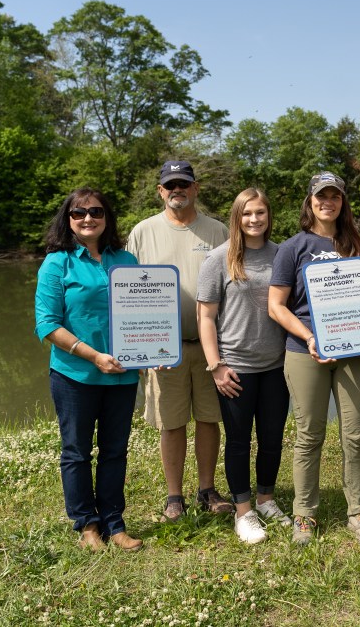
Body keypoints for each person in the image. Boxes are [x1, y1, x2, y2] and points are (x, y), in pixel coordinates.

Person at [268, 172, 360, 545]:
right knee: (308, 435)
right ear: (310, 201)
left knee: (356, 436)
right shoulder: (293, 247)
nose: (327, 202)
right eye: (321, 195)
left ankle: (358, 512)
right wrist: (309, 336)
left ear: (342, 202)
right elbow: (276, 307)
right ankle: (305, 514)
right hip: (306, 352)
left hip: (355, 355)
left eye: (334, 195)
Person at [34, 188, 143, 552]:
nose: (87, 218)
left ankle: (115, 523)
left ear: (107, 217)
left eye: (96, 211)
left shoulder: (126, 260)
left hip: (123, 374)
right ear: (68, 220)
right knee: (77, 452)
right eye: (78, 213)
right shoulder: (57, 263)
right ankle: (87, 525)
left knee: (115, 451)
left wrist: (151, 350)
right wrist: (94, 355)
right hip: (74, 375)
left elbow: (146, 314)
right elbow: (47, 324)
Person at [126, 160, 230, 521]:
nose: (177, 191)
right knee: (171, 423)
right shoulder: (143, 232)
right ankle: (174, 497)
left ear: (196, 188)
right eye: (170, 185)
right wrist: (140, 344)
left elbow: (233, 287)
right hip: (161, 350)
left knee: (208, 418)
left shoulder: (218, 231)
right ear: (160, 191)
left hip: (210, 346)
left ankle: (206, 489)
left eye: (183, 184)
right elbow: (129, 293)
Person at [197, 188, 291, 545]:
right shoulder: (218, 259)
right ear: (237, 217)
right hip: (235, 366)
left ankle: (266, 499)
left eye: (261, 213)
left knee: (271, 438)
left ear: (269, 216)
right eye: (247, 213)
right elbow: (206, 316)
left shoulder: (282, 254)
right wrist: (216, 366)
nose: (255, 220)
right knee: (238, 441)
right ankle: (243, 511)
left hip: (276, 365)